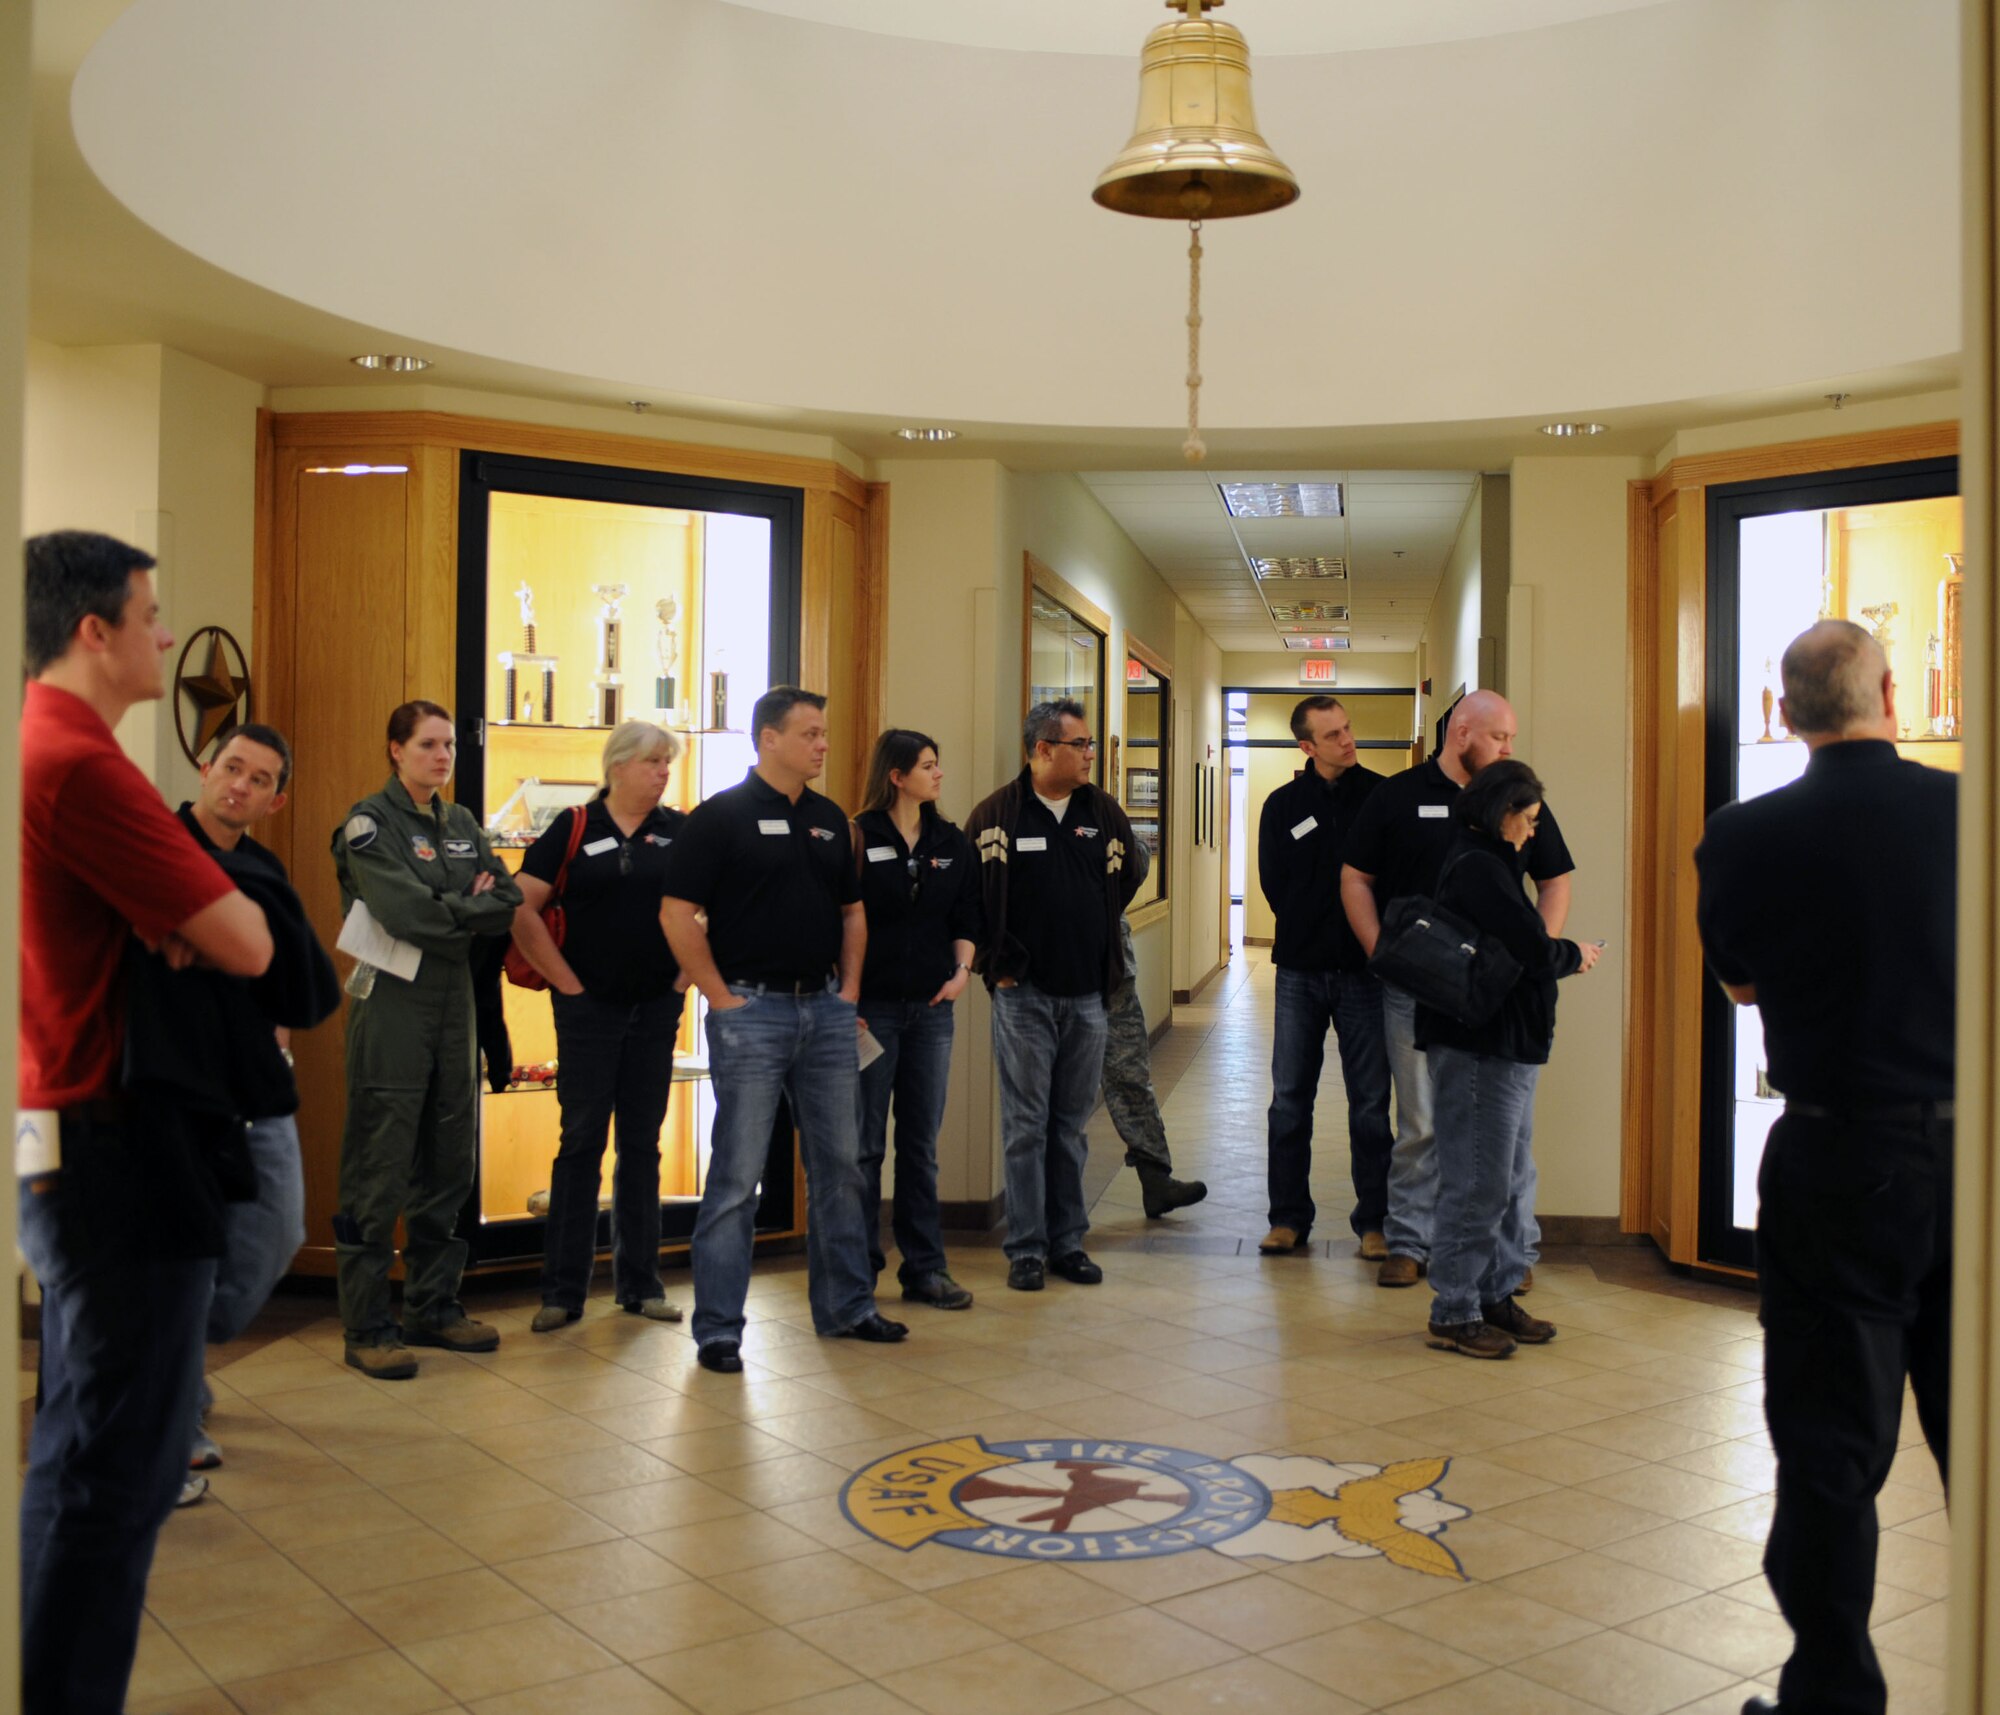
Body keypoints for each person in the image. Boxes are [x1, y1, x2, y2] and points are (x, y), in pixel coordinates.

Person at [19, 530, 274, 1715]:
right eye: (150, 613)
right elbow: (248, 941)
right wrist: (178, 922)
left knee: (85, 1442)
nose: (166, 636)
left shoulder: (38, 741)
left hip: (63, 1121)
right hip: (111, 1135)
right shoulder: (79, 759)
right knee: (116, 1468)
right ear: (94, 629)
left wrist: (167, 919)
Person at [1695, 620, 1955, 1715]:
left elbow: (1741, 985)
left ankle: (1833, 1694)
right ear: (1890, 695)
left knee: (1829, 1443)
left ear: (1785, 711)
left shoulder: (1743, 834)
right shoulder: (1969, 810)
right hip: (1973, 1152)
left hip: (1835, 1151)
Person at [663, 687, 904, 1372]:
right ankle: (718, 1330)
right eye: (809, 734)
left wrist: (847, 992)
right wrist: (720, 998)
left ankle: (847, 1306)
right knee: (737, 1177)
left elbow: (852, 913)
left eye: (824, 733)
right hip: (752, 1012)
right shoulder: (720, 818)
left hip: (824, 1011)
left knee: (841, 1169)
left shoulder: (830, 820)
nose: (823, 744)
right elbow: (676, 913)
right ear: (768, 739)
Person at [1341, 690, 1575, 1288]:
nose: (1508, 749)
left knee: (1509, 1131)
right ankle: (1409, 1242)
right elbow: (1355, 877)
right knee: (1421, 1123)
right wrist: (1380, 953)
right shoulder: (1396, 796)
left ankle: (1511, 1255)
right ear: (1462, 732)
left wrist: (1534, 954)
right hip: (1419, 989)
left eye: (1511, 739)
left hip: (1499, 998)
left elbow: (1555, 880)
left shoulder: (1518, 800)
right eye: (1500, 737)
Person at [331, 700, 523, 1377]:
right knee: (379, 1167)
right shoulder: (369, 824)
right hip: (393, 1004)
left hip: (454, 1006)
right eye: (427, 745)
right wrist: (466, 907)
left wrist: (455, 909)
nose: (442, 756)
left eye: (448, 745)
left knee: (449, 1163)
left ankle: (433, 1306)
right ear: (396, 750)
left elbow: (508, 902)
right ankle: (367, 1325)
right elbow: (403, 913)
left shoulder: (461, 822)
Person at [176, 723, 337, 1473]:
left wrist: (280, 1043)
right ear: (206, 768)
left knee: (276, 1232)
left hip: (256, 1086)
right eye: (232, 767)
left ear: (276, 800)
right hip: (176, 1089)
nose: (240, 784)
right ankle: (173, 1397)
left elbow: (289, 983)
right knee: (183, 1254)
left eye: (260, 778)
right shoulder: (160, 848)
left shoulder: (265, 870)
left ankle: (163, 1353)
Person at [511, 721, 693, 1332]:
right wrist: (566, 983)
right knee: (581, 1141)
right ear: (617, 766)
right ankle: (562, 1292)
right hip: (588, 1011)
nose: (663, 772)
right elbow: (521, 905)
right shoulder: (574, 826)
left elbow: (713, 910)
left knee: (642, 1143)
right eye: (652, 762)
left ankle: (641, 1285)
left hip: (655, 1009)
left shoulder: (679, 832)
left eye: (667, 762)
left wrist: (682, 981)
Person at [1416, 761, 1599, 1357]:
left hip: (1505, 1046)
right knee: (1477, 1183)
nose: (1533, 831)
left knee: (1508, 1176)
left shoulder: (1493, 863)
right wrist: (1574, 954)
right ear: (1503, 815)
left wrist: (1555, 953)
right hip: (1479, 1048)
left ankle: (1494, 1296)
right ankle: (1455, 1311)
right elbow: (1530, 947)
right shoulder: (1478, 867)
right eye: (1530, 819)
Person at [966, 698, 1142, 1292]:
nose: (1091, 753)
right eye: (1081, 744)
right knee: (1025, 1126)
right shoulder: (997, 816)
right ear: (1043, 749)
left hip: (1088, 996)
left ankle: (1068, 1242)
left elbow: (1128, 876)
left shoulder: (1103, 813)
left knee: (1070, 1127)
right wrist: (996, 967)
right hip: (1023, 997)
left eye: (1090, 744)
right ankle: (1026, 1248)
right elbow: (970, 900)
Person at [1257, 694, 1392, 1257]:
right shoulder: (1283, 805)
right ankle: (1288, 1218)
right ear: (1307, 746)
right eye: (1333, 735)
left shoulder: (1382, 796)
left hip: (1365, 974)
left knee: (1371, 1104)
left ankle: (1375, 1222)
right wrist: (1307, 924)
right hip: (1300, 973)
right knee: (1290, 1100)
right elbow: (1273, 882)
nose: (1347, 740)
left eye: (1348, 728)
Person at [852, 729, 981, 1310]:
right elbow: (840, 919)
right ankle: (857, 1267)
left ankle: (925, 1268)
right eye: (928, 766)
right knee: (864, 1147)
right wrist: (846, 998)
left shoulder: (950, 841)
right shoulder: (857, 837)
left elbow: (967, 914)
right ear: (897, 776)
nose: (939, 774)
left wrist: (962, 971)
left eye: (938, 764)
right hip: (870, 1011)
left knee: (920, 1145)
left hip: (932, 1010)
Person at [1099, 836, 1207, 1219]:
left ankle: (1156, 1178)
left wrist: (1105, 898)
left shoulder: (1102, 815)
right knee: (1053, 1093)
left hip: (1111, 972)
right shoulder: (1021, 816)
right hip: (1050, 979)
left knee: (1131, 1075)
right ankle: (1050, 1205)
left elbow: (1139, 859)